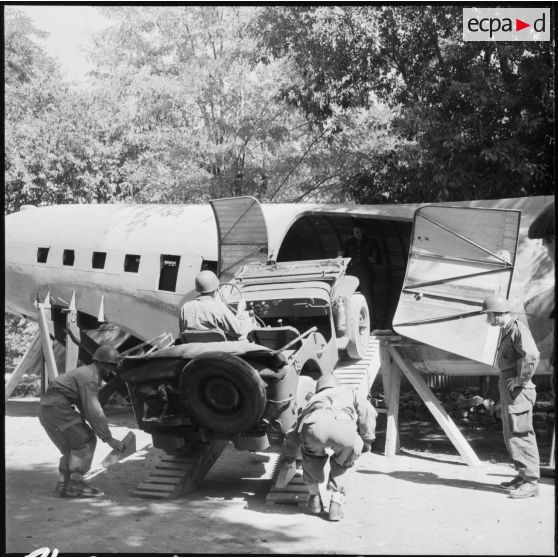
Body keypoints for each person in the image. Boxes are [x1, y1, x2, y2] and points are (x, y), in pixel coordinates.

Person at [284, 376, 377, 521]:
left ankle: (314, 498)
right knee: (343, 461)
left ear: (318, 388)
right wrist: (367, 439)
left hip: (314, 427)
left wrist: (289, 456)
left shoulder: (313, 399)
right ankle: (336, 503)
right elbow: (367, 411)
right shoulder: (349, 391)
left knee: (311, 458)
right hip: (343, 426)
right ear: (336, 385)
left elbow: (295, 430)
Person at [38, 345, 125, 498]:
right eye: (111, 367)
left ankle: (62, 485)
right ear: (103, 364)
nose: (112, 371)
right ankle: (76, 485)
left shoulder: (85, 373)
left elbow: (85, 408)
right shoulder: (89, 377)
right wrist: (108, 438)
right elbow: (93, 410)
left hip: (47, 410)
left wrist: (96, 429)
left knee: (72, 446)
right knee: (85, 439)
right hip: (58, 408)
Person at [481, 294, 541, 498]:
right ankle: (523, 475)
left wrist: (521, 379)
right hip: (510, 390)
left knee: (521, 434)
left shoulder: (517, 329)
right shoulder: (506, 331)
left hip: (519, 391)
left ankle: (531, 482)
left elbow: (531, 355)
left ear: (497, 314)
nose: (487, 319)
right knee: (511, 434)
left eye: (488, 315)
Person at [179, 270, 255, 340]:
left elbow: (183, 331)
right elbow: (238, 331)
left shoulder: (185, 308)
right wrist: (240, 312)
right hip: (219, 351)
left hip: (195, 350)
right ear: (216, 291)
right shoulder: (219, 307)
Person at [339, 226, 376, 323]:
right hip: (352, 273)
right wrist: (340, 255)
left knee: (367, 297)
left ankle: (370, 322)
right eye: (355, 231)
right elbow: (342, 256)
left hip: (365, 274)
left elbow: (378, 258)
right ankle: (351, 321)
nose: (357, 233)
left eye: (358, 231)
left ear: (362, 231)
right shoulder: (349, 243)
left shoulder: (370, 242)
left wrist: (373, 259)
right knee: (350, 296)